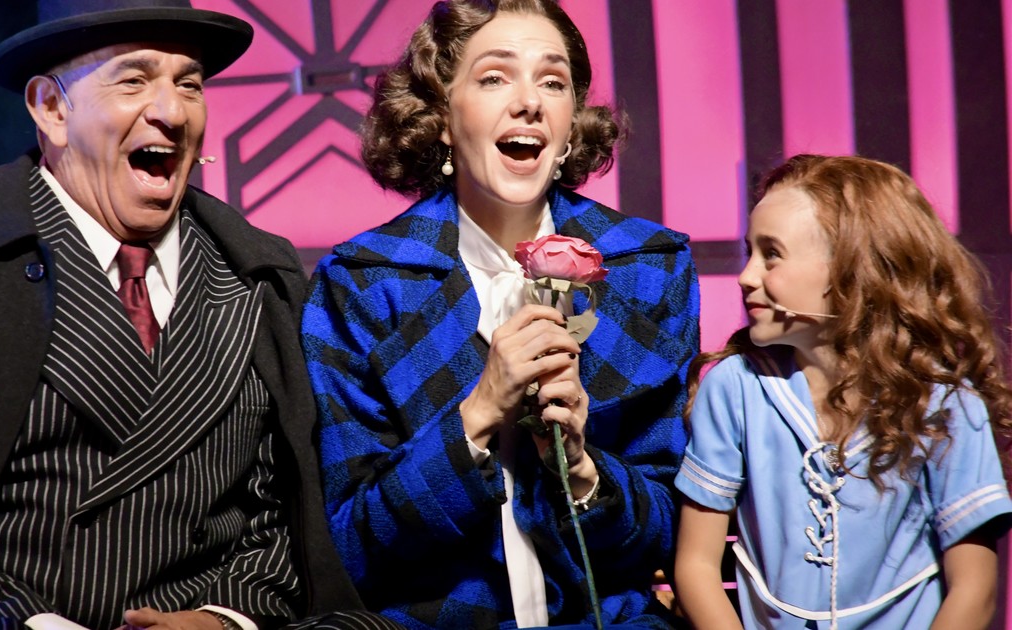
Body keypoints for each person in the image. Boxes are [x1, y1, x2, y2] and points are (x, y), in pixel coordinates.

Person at [0, 1, 399, 629]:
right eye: (134, 79)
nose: (173, 112)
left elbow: (284, 511)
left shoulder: (261, 275)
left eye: (190, 84)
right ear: (51, 109)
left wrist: (223, 618)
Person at [301, 1, 701, 627]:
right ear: (439, 116)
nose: (530, 102)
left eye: (553, 81)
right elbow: (349, 547)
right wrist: (479, 413)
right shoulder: (363, 284)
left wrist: (581, 469)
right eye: (494, 77)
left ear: (571, 124)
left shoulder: (648, 269)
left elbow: (675, 535)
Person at [672, 154, 1012, 629]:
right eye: (750, 252)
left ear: (854, 269)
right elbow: (696, 566)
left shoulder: (948, 407)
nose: (747, 276)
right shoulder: (735, 387)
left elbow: (974, 591)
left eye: (772, 254)